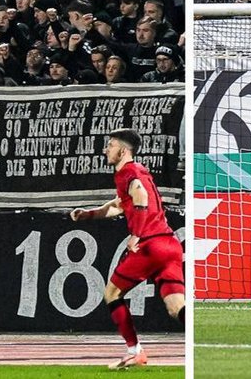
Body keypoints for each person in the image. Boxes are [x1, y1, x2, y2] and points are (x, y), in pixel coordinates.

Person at [70, 128, 186, 370]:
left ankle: (135, 351)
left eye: (110, 145)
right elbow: (118, 205)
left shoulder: (129, 172)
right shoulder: (136, 172)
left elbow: (140, 196)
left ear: (123, 150)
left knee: (112, 294)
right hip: (169, 244)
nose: (106, 150)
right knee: (176, 308)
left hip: (150, 245)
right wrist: (88, 214)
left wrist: (136, 235)